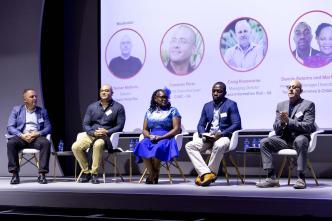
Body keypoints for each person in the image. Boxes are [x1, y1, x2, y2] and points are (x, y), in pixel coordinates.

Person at [256, 80, 316, 189]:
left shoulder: (308, 105)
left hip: (300, 138)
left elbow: (308, 126)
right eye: (289, 87)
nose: (291, 89)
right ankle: (271, 178)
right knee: (264, 142)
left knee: (300, 140)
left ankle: (301, 178)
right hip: (284, 140)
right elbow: (275, 127)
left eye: (294, 87)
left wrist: (289, 121)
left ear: (301, 91)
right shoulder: (281, 105)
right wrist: (282, 123)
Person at [185, 82, 242, 186]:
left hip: (223, 136)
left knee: (219, 145)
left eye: (219, 91)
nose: (216, 93)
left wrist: (221, 134)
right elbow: (200, 124)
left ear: (225, 93)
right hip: (209, 137)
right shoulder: (207, 106)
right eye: (214, 91)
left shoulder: (231, 104)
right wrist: (203, 135)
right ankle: (206, 173)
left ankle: (209, 174)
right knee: (189, 146)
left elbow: (237, 124)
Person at [72, 84, 125, 184]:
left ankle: (94, 174)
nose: (104, 92)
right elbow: (86, 124)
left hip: (106, 137)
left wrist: (107, 131)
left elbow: (120, 126)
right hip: (92, 134)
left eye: (107, 91)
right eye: (102, 91)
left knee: (98, 144)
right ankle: (87, 171)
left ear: (112, 93)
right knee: (75, 147)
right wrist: (93, 132)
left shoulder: (118, 107)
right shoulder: (92, 107)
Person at [133, 89, 181, 184]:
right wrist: (149, 136)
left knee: (158, 147)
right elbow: (145, 129)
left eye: (166, 97)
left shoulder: (173, 111)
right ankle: (153, 173)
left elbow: (176, 129)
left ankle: (151, 176)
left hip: (167, 137)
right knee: (141, 145)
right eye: (162, 97)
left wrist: (162, 137)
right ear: (155, 98)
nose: (164, 99)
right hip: (152, 136)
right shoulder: (149, 112)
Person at [7, 89, 52, 184]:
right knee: (11, 143)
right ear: (25, 100)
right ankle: (15, 174)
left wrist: (38, 133)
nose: (35, 98)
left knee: (46, 143)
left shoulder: (42, 111)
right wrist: (21, 135)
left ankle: (42, 174)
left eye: (36, 96)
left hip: (36, 137)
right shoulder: (17, 110)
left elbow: (48, 127)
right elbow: (10, 127)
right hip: (21, 137)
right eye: (32, 97)